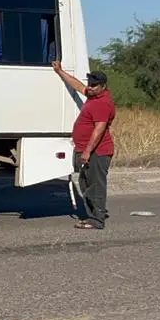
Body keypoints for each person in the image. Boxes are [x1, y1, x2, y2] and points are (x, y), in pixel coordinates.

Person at [52, 63, 116, 230]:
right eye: (90, 83)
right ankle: (93, 214)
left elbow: (99, 129)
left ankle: (97, 219)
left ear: (103, 86)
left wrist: (87, 151)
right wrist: (60, 71)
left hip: (99, 152)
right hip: (88, 150)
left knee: (96, 185)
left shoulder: (103, 103)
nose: (90, 87)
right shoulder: (94, 96)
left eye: (94, 85)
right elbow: (78, 86)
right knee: (86, 183)